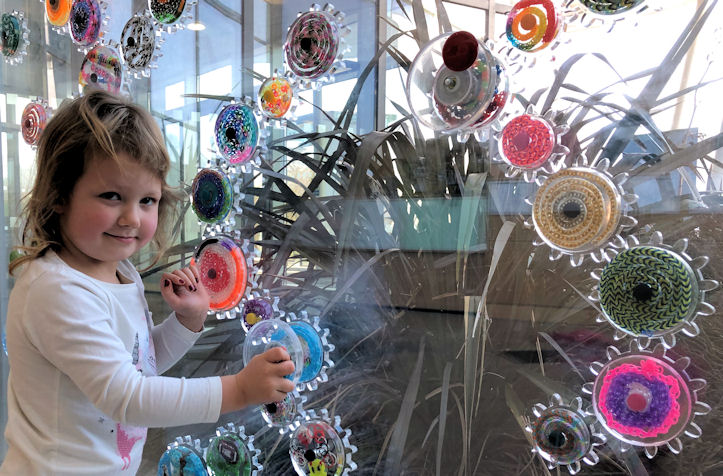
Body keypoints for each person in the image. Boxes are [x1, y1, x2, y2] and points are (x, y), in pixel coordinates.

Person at [0, 91, 294, 475]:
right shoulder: (55, 290)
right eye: (111, 196)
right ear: (59, 195)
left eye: (147, 201)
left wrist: (185, 324)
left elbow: (138, 365)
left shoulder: (120, 272)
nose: (132, 219)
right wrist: (237, 389)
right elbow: (126, 395)